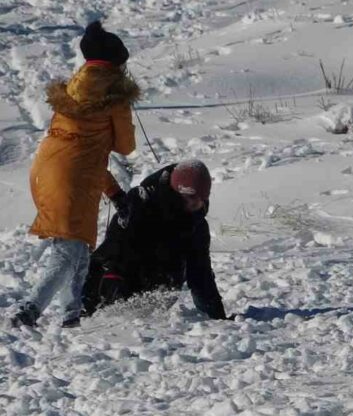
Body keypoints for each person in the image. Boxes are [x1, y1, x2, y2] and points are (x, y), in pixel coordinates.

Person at [11, 21, 138, 329]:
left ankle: (72, 315)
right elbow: (125, 146)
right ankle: (29, 309)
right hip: (72, 178)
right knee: (68, 250)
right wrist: (125, 109)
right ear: (116, 63)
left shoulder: (73, 88)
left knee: (78, 248)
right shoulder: (114, 95)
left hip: (47, 170)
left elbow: (84, 155)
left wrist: (115, 193)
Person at [81, 160, 229, 321]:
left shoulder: (196, 225)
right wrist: (112, 278)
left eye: (202, 199)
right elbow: (116, 246)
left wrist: (217, 318)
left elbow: (200, 274)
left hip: (154, 293)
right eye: (192, 198)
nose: (198, 204)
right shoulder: (140, 203)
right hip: (113, 279)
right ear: (177, 193)